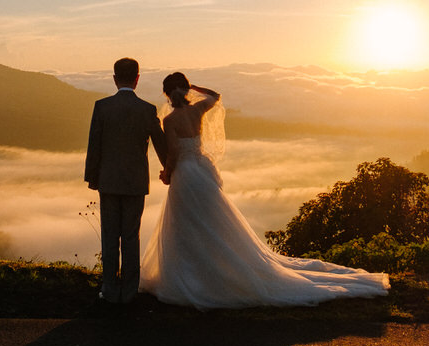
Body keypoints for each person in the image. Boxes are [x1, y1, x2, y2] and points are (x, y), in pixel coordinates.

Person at [140, 71, 389, 310]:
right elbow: (216, 96)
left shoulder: (170, 120)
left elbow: (172, 154)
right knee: (212, 222)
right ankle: (214, 269)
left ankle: (192, 273)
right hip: (202, 171)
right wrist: (194, 87)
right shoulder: (197, 110)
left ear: (166, 94)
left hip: (185, 174)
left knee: (187, 224)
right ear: (184, 90)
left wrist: (166, 174)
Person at [83, 57, 167, 305]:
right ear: (137, 78)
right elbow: (161, 146)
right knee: (131, 236)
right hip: (135, 182)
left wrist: (92, 178)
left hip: (108, 181)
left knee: (109, 236)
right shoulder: (147, 110)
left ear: (114, 78)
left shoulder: (102, 107)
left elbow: (94, 145)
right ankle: (129, 293)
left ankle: (109, 291)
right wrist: (170, 170)